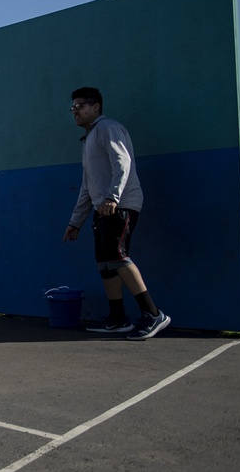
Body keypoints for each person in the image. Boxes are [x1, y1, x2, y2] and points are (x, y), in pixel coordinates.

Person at [62, 87, 170, 340]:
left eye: (81, 106)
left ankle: (154, 314)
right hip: (103, 208)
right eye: (73, 107)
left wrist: (113, 196)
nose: (75, 111)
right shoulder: (88, 139)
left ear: (96, 107)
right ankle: (118, 317)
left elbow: (123, 162)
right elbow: (87, 186)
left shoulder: (107, 127)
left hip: (120, 205)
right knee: (105, 262)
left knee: (117, 256)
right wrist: (75, 222)